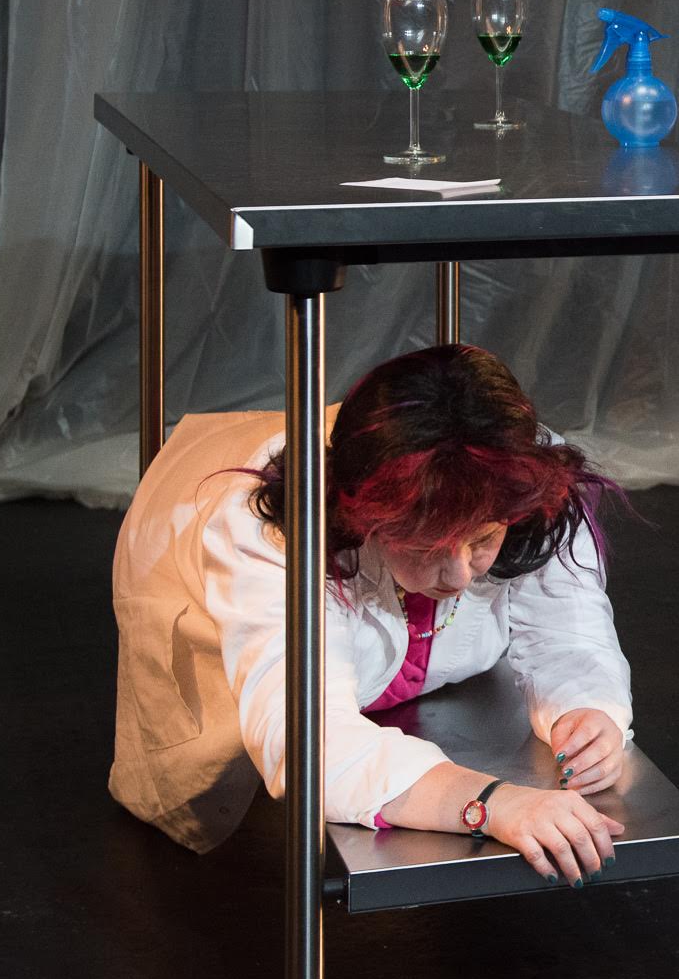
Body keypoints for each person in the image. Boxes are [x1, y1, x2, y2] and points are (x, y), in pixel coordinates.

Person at [109, 344, 635, 883]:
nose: (459, 575)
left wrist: (587, 711)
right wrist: (488, 803)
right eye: (427, 545)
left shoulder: (518, 474)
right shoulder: (270, 529)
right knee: (218, 846)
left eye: (483, 538)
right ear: (364, 519)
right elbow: (307, 740)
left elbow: (567, 631)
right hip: (185, 561)